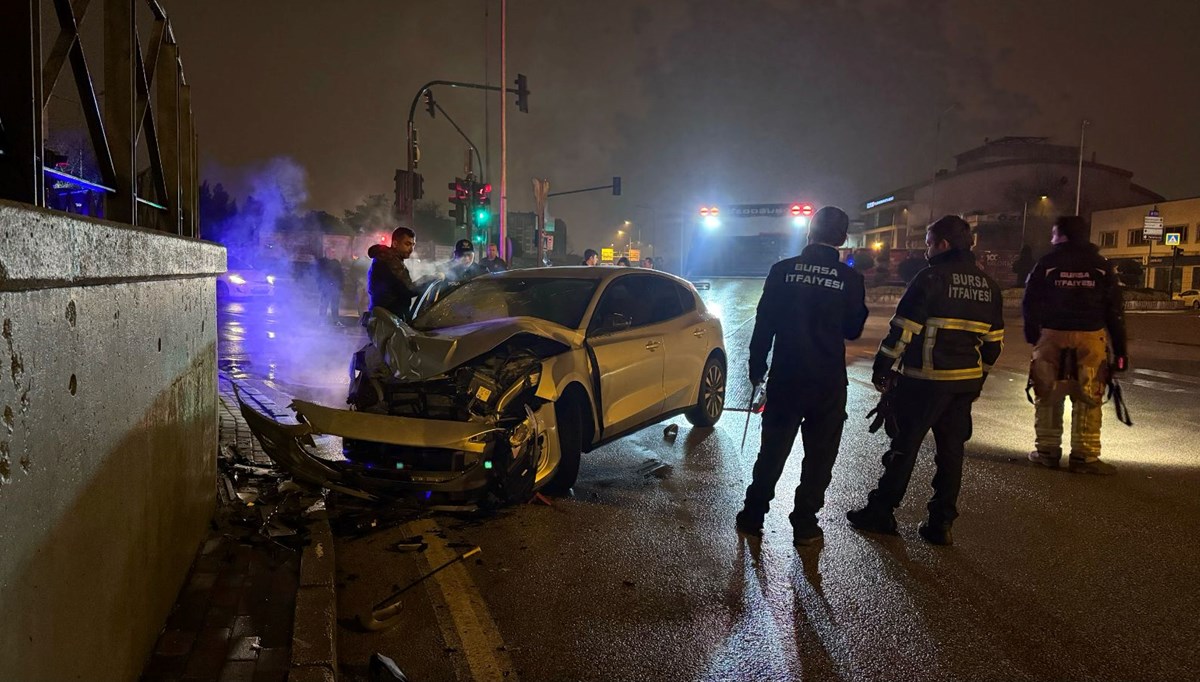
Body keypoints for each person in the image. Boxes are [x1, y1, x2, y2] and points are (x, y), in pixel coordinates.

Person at [847, 215, 1004, 546]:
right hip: (965, 383)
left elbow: (903, 329)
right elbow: (994, 343)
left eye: (929, 242)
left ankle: (881, 512)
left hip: (926, 380)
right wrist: (978, 380)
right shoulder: (988, 285)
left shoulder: (931, 277)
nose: (927, 249)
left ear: (944, 244)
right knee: (950, 454)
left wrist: (882, 367)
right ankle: (941, 523)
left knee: (904, 447)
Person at [735, 206, 869, 547]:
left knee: (773, 450)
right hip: (827, 380)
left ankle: (753, 515)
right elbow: (853, 330)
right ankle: (806, 523)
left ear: (809, 232)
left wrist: (756, 366)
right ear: (841, 238)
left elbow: (764, 322)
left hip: (787, 375)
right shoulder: (850, 279)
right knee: (820, 455)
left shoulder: (782, 271)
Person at [1023, 215, 1127, 475]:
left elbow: (1030, 300)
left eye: (1054, 233)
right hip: (1091, 335)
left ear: (1063, 235)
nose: (1051, 238)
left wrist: (1033, 332)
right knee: (1089, 393)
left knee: (1047, 391)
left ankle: (1046, 450)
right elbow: (1114, 310)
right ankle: (1085, 455)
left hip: (1052, 334)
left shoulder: (1047, 263)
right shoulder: (1101, 265)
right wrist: (1121, 350)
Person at [367, 227, 420, 321]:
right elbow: (409, 289)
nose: (411, 249)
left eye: (413, 245)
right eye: (407, 244)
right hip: (389, 320)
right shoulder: (390, 260)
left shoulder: (388, 258)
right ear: (395, 243)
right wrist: (431, 279)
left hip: (386, 318)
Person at [316, 256, 345, 324]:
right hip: (326, 287)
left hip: (335, 287)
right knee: (324, 304)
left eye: (333, 252)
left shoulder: (336, 262)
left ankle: (336, 320)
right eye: (330, 252)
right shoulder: (322, 262)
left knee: (335, 305)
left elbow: (340, 275)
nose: (332, 253)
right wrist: (321, 285)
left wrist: (341, 285)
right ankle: (322, 320)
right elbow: (319, 274)